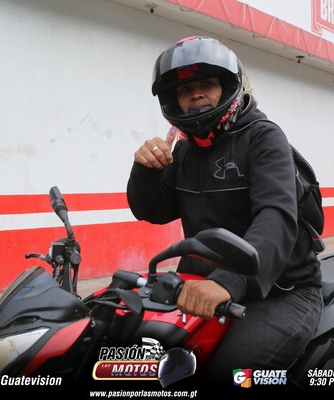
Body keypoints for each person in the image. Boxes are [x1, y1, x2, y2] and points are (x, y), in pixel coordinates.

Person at [126, 36, 323, 385]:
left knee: (227, 375)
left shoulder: (263, 138)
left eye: (207, 84)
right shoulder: (184, 151)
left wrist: (229, 281)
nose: (196, 94)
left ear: (228, 86)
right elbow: (152, 209)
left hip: (282, 290)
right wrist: (145, 171)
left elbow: (276, 217)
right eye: (185, 89)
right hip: (201, 285)